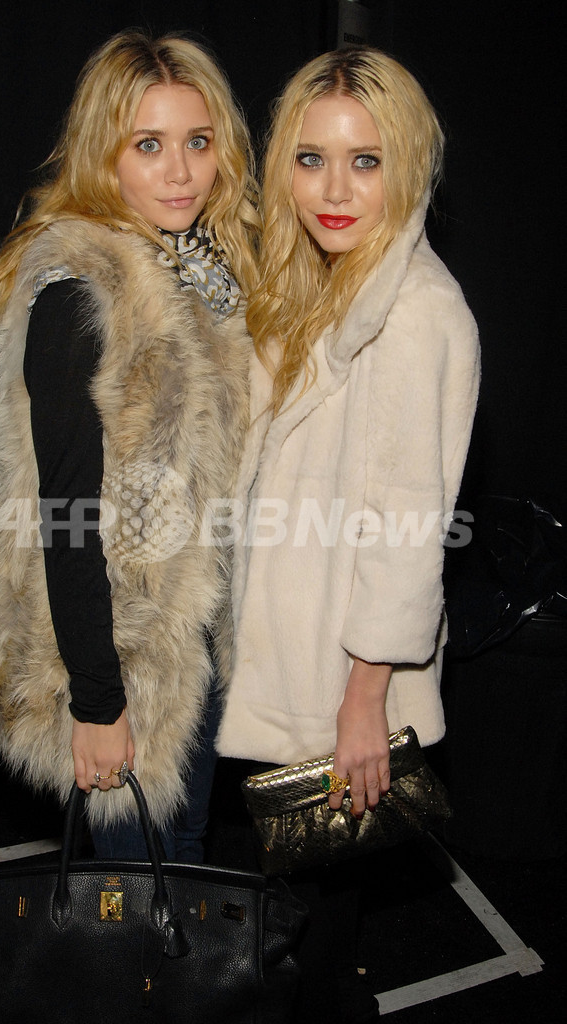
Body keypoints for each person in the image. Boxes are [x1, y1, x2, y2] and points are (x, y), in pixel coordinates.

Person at [0, 30, 258, 863]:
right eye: (148, 145)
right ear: (102, 153)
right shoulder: (80, 291)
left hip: (195, 640)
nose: (181, 171)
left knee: (178, 859)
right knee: (143, 893)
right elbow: (66, 518)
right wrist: (96, 703)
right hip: (120, 661)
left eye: (198, 142)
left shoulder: (201, 270)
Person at [215, 46, 480, 1021]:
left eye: (365, 161)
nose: (334, 190)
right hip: (292, 651)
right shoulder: (319, 284)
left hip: (337, 676)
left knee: (316, 920)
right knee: (293, 901)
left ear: (406, 166)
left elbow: (409, 528)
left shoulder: (415, 315)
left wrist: (364, 699)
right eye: (311, 158)